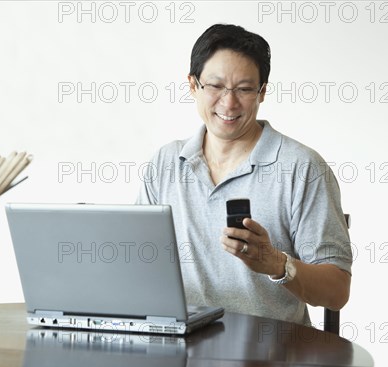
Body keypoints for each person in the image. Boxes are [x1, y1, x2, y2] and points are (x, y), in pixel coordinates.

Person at [136, 24, 352, 325]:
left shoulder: (302, 168)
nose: (229, 103)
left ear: (262, 92)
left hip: (269, 358)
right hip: (182, 354)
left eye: (244, 89)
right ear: (192, 85)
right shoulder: (166, 163)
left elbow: (337, 291)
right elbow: (138, 266)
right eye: (215, 86)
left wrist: (277, 263)